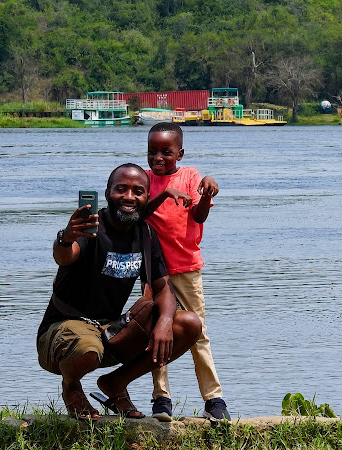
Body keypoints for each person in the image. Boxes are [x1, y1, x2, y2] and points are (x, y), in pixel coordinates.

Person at [36, 163, 202, 420]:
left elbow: (163, 287)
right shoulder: (91, 228)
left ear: (147, 197)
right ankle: (71, 387)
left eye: (138, 191)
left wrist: (166, 321)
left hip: (111, 332)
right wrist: (65, 237)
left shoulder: (145, 233)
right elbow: (65, 257)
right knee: (88, 348)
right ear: (107, 193)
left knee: (189, 324)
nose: (129, 197)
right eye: (121, 189)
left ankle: (115, 383)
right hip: (63, 332)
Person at [142, 122, 230, 422]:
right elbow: (137, 215)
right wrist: (164, 193)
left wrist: (206, 192)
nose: (159, 158)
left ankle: (213, 399)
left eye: (166, 152)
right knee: (158, 334)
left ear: (179, 152)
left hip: (188, 269)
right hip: (156, 274)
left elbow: (199, 214)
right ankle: (161, 398)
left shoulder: (191, 176)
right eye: (152, 152)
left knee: (199, 335)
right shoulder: (144, 181)